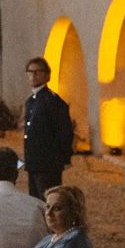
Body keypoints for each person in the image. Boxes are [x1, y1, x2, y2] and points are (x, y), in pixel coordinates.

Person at [22, 56, 75, 198]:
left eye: (37, 72)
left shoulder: (52, 101)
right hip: (34, 163)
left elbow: (64, 132)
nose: (33, 75)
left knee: (49, 200)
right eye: (30, 72)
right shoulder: (30, 101)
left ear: (47, 75)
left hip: (48, 164)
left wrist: (64, 158)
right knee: (35, 201)